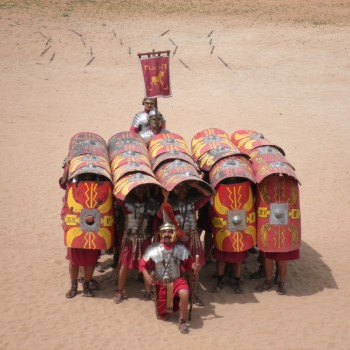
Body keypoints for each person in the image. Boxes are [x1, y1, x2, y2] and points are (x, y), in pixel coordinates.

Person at [139, 223, 201, 334]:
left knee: (184, 293)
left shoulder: (181, 248)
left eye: (170, 231)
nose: (167, 234)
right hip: (162, 284)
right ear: (161, 233)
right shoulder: (153, 248)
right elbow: (142, 264)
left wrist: (194, 267)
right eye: (164, 232)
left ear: (175, 234)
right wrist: (146, 275)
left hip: (177, 280)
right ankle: (170, 304)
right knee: (164, 315)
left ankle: (182, 321)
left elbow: (189, 264)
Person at [159, 181, 212, 306]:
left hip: (192, 238)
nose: (181, 190)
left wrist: (195, 185)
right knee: (178, 269)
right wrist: (165, 198)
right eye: (178, 188)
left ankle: (193, 294)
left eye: (184, 188)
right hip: (177, 241)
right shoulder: (169, 204)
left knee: (193, 269)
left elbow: (209, 194)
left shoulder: (193, 201)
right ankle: (179, 295)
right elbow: (162, 214)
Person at [114, 184, 159, 304]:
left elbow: (155, 225)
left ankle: (148, 291)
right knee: (124, 265)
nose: (141, 191)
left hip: (145, 239)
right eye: (138, 189)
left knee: (147, 266)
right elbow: (117, 195)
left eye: (143, 189)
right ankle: (120, 290)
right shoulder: (127, 203)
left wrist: (155, 240)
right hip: (130, 239)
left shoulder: (152, 205)